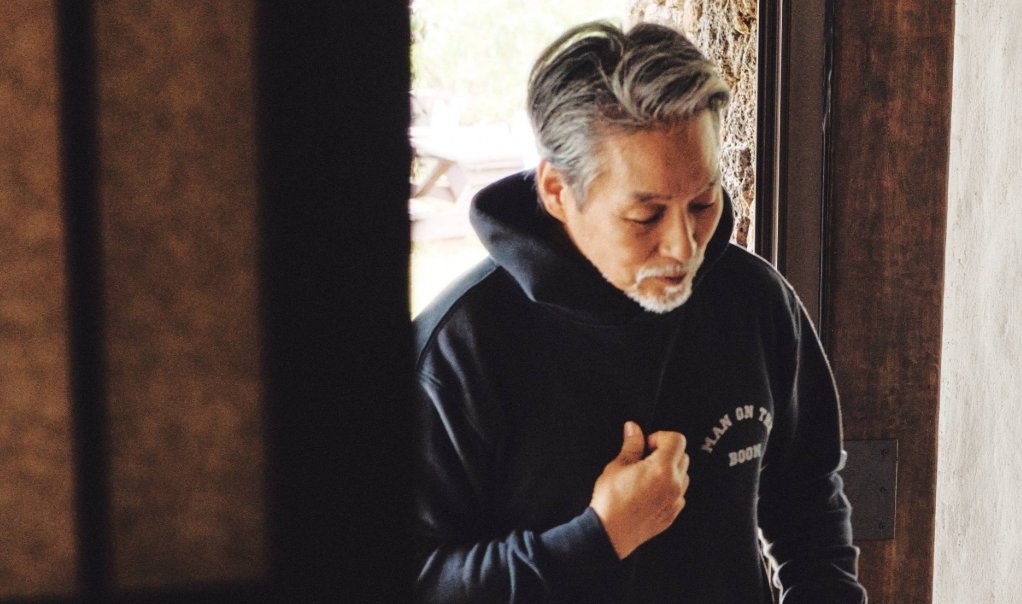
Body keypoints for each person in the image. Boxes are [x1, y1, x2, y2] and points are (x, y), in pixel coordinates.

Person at [412, 20, 867, 603]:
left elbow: (809, 502)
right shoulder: (457, 351)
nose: (684, 246)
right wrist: (599, 538)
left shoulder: (756, 301)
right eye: (646, 216)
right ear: (557, 192)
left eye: (702, 202)